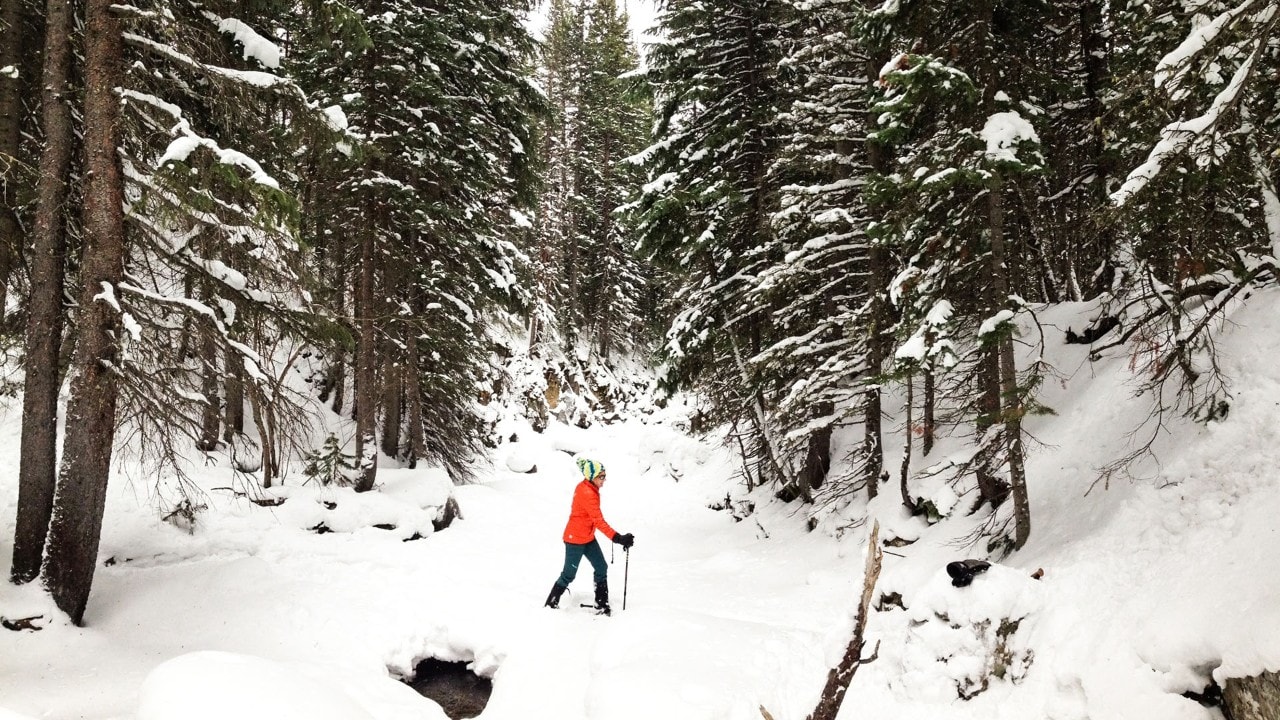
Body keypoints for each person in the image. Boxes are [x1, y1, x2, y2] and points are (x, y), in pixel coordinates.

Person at [543, 458, 634, 615]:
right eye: (602, 477)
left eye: (605, 476)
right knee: (568, 575)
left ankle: (601, 604)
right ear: (592, 476)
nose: (604, 480)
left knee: (601, 567)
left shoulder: (589, 487)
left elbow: (594, 520)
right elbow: (598, 520)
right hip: (575, 540)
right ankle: (551, 605)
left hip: (588, 537)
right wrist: (618, 538)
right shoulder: (587, 493)